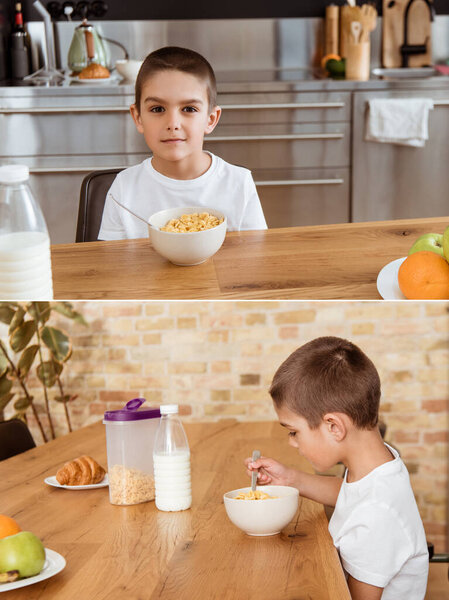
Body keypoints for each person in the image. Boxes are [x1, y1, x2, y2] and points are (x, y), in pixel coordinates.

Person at [245, 336, 428, 600]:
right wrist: (290, 478)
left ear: (334, 427)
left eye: (294, 432)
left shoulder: (377, 517)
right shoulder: (377, 464)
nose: (292, 443)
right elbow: (352, 495)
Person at [98, 46, 267, 240]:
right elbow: (110, 263)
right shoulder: (123, 189)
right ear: (138, 117)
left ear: (210, 119)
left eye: (189, 109)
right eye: (157, 109)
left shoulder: (239, 184)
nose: (173, 124)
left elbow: (256, 259)